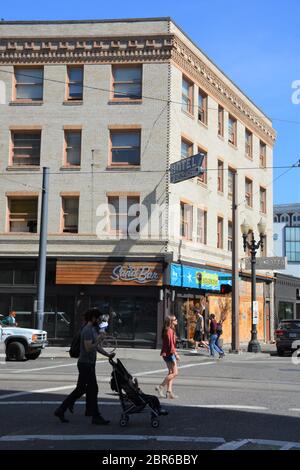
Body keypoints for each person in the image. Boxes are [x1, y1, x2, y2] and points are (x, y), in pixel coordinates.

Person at [54, 308, 115, 425]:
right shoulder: (87, 330)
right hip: (85, 364)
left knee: (81, 389)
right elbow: (88, 348)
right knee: (92, 389)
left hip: (89, 364)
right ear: (93, 318)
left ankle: (62, 410)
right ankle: (95, 416)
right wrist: (99, 339)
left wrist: (107, 354)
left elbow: (96, 347)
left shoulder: (92, 329)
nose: (99, 320)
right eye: (98, 318)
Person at [155, 315, 180, 399]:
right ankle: (160, 387)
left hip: (166, 354)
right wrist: (176, 354)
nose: (177, 320)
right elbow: (171, 345)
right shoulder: (169, 331)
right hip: (170, 354)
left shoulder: (169, 330)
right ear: (171, 322)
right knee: (175, 373)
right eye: (175, 319)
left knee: (171, 373)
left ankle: (169, 392)